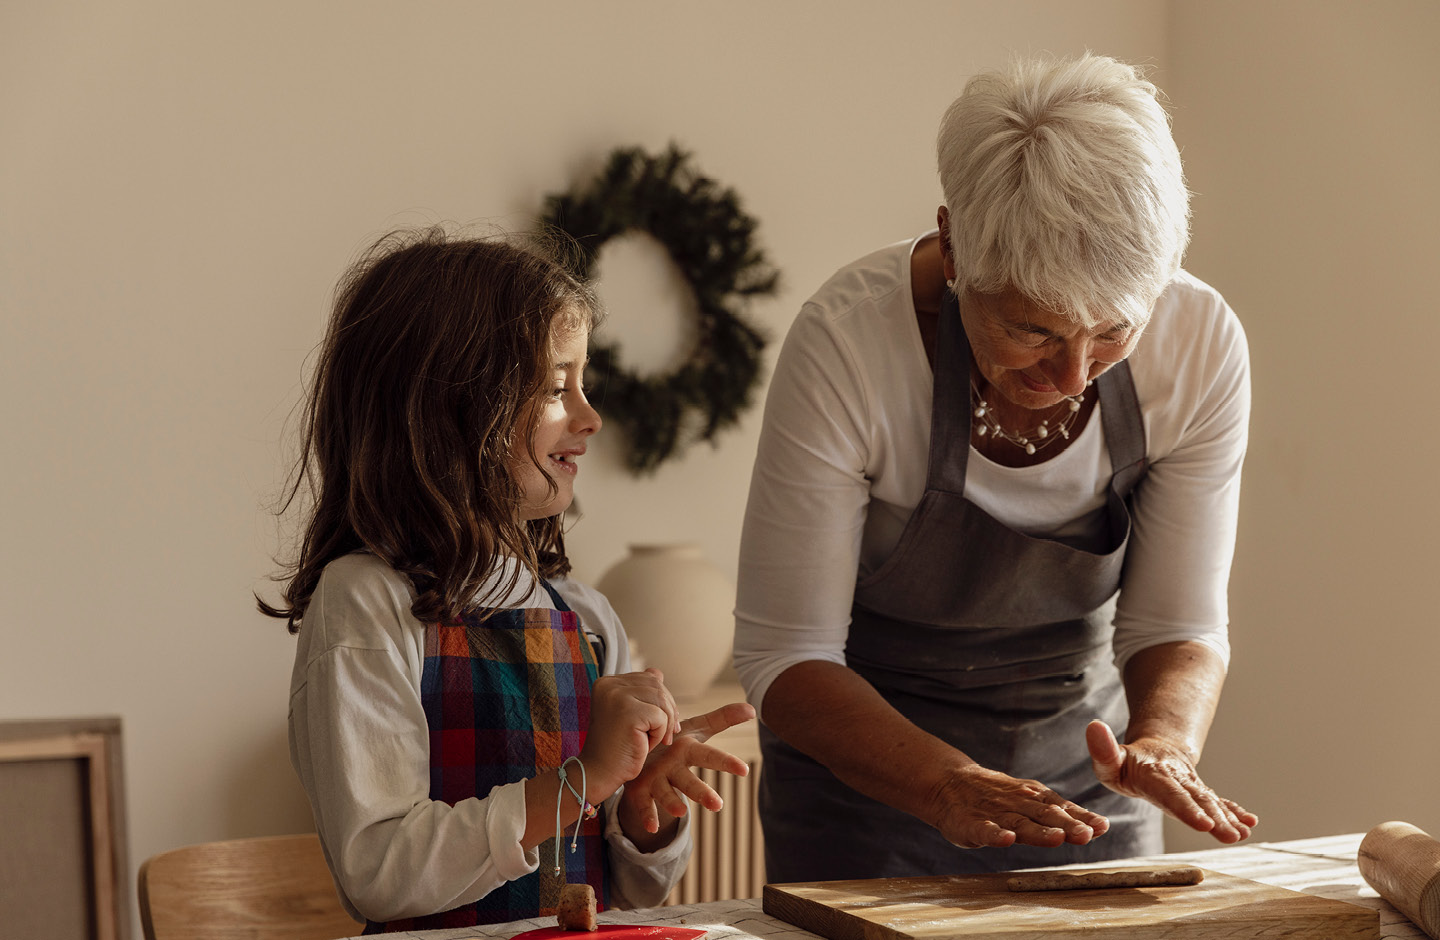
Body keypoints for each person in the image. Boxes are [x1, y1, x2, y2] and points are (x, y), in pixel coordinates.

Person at [733, 53, 1259, 882]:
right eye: (1034, 331)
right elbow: (787, 655)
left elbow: (1175, 623)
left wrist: (1163, 744)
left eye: (1114, 331)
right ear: (952, 247)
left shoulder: (1199, 343)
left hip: (1090, 788)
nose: (1075, 374)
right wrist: (946, 784)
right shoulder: (849, 345)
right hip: (871, 792)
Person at [261, 228, 754, 931]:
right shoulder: (364, 604)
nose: (590, 416)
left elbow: (631, 891)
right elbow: (378, 870)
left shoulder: (586, 617)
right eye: (558, 387)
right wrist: (577, 783)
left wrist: (642, 814)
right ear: (450, 407)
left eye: (584, 383)